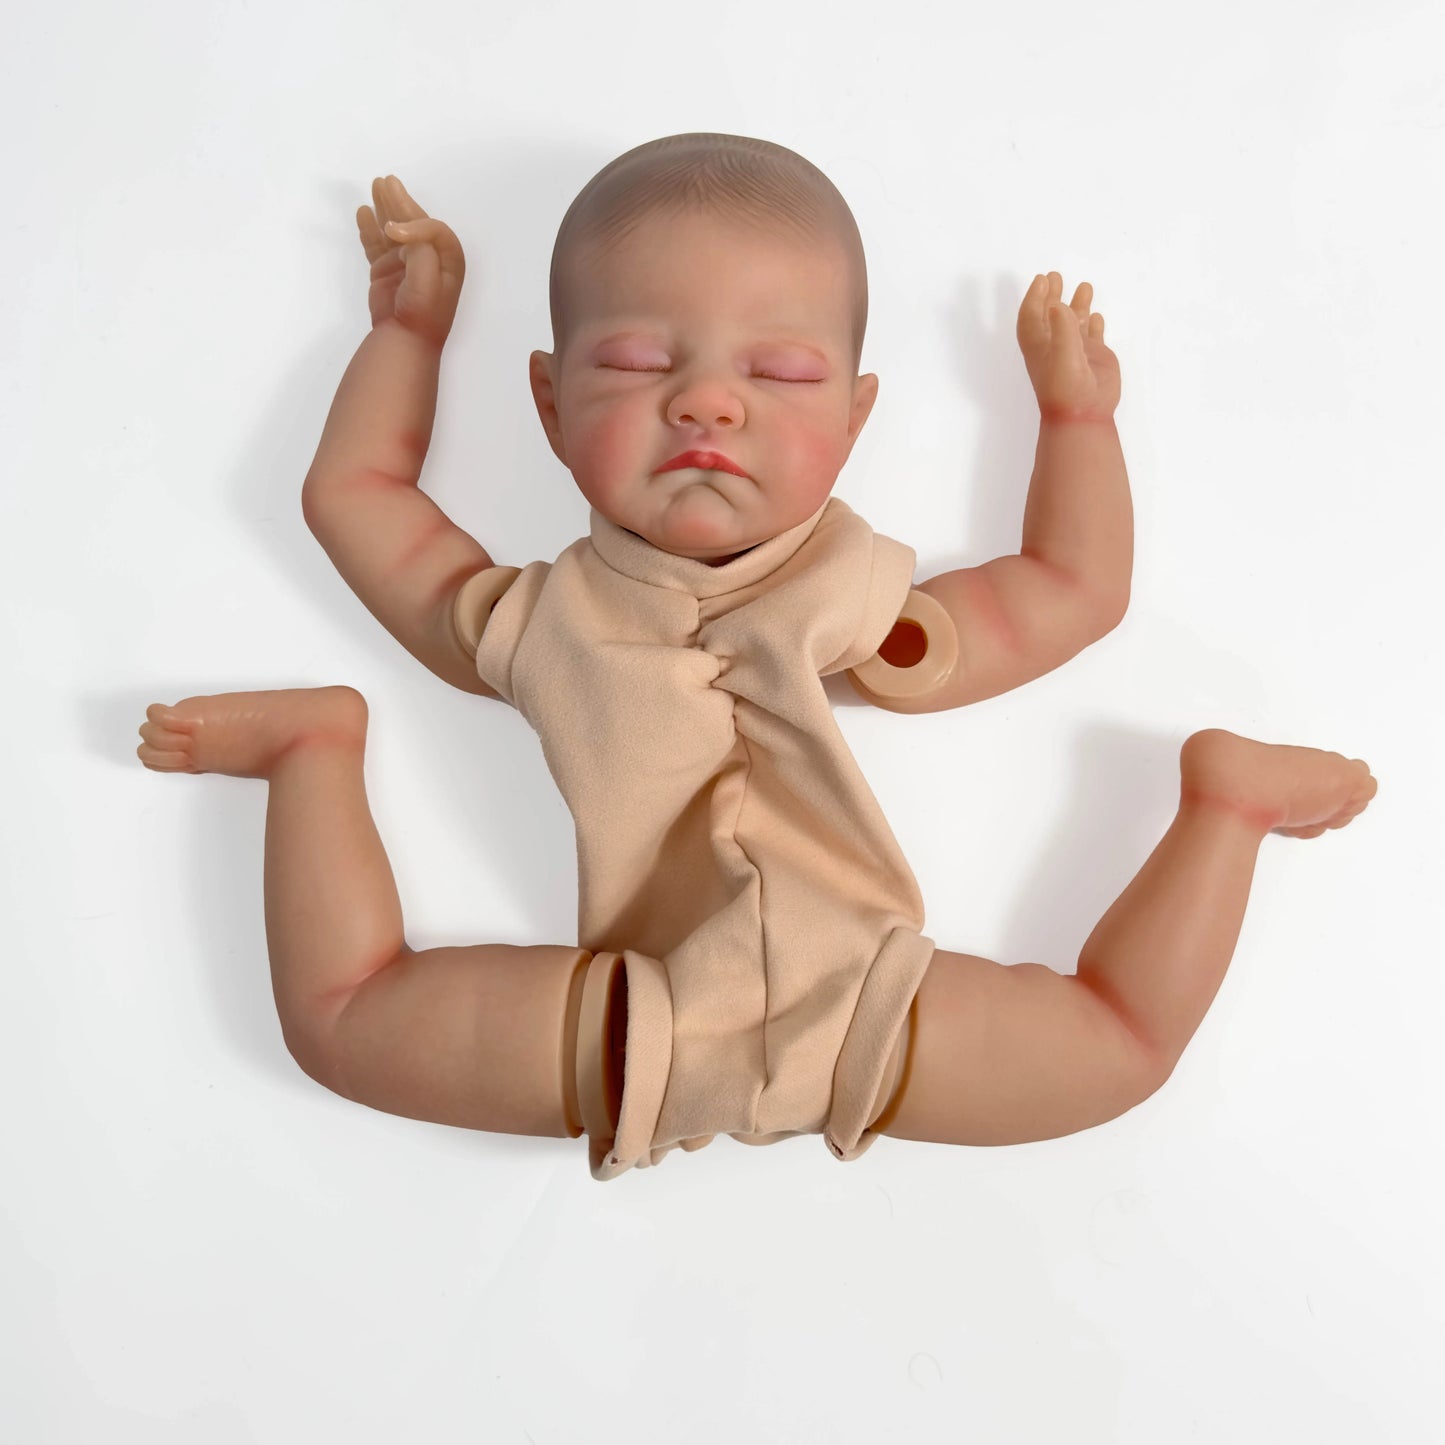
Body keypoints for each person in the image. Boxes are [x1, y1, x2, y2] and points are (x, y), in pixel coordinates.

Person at [137, 134, 1376, 1180]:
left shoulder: (856, 601)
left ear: (852, 417)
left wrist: (1075, 419)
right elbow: (356, 497)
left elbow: (1069, 589)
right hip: (632, 1018)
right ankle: (313, 749)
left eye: (777, 372)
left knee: (1119, 1050)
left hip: (857, 1002)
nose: (707, 402)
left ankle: (1227, 806)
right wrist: (408, 336)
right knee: (339, 1020)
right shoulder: (536, 622)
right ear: (549, 406)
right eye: (637, 362)